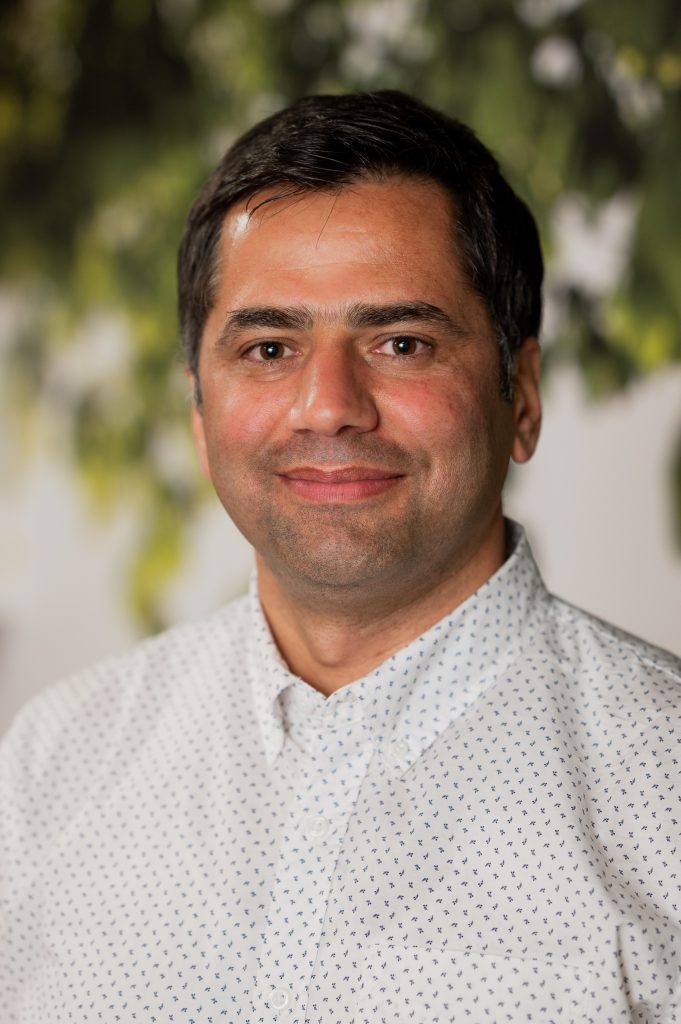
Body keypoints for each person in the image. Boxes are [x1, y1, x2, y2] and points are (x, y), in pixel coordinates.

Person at [1, 90, 680, 1024]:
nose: (326, 405)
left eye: (401, 342)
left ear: (518, 396)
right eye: (270, 346)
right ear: (200, 416)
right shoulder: (53, 760)